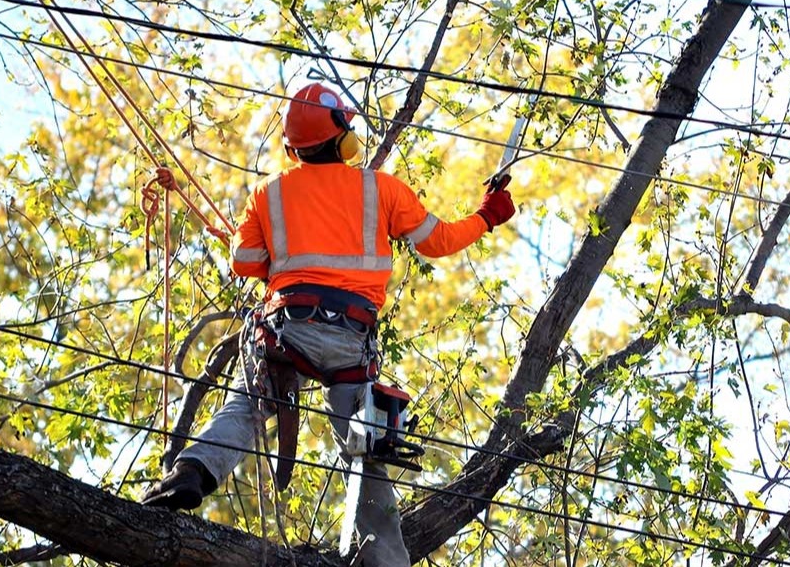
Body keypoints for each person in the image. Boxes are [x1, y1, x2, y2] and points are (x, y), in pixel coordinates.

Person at [143, 82, 516, 567]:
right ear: (342, 137)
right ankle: (386, 560)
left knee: (247, 408)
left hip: (287, 330)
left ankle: (191, 471)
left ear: (293, 147)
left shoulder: (269, 193)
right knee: (363, 451)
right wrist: (487, 216)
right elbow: (438, 241)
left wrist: (285, 258)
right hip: (350, 342)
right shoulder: (380, 188)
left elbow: (244, 261)